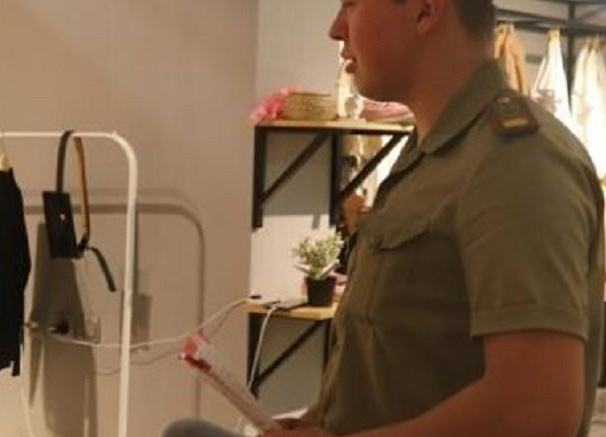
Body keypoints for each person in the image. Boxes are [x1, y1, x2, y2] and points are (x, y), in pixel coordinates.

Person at [167, 1, 604, 436]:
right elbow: (404, 359)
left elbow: (535, 411)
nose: (336, 29)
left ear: (424, 12)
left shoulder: (514, 162)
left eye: (352, 4)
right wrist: (318, 418)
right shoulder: (432, 152)